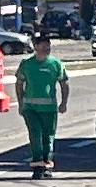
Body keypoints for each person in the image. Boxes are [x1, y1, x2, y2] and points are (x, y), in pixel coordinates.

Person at [13, 33, 69, 178]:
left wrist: (64, 103)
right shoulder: (26, 64)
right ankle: (38, 166)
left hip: (49, 109)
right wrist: (21, 103)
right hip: (30, 108)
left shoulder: (55, 64)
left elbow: (64, 83)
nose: (46, 49)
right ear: (35, 47)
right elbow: (19, 84)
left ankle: (47, 165)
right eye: (43, 46)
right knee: (35, 135)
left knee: (48, 137)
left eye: (48, 46)